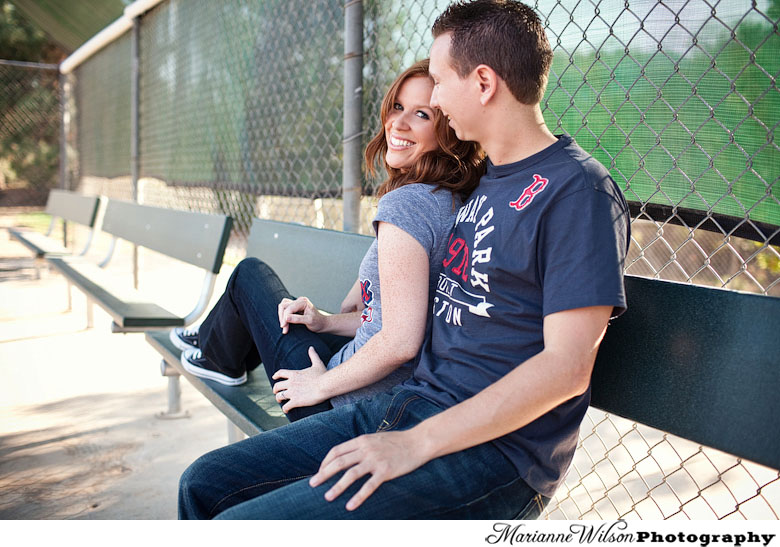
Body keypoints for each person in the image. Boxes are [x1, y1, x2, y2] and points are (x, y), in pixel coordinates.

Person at [179, 0, 630, 520]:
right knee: (203, 483)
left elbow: (566, 369)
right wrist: (334, 325)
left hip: (494, 456)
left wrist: (414, 444)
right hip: (408, 407)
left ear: (483, 83)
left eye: (438, 82)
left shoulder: (577, 192)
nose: (433, 98)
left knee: (238, 524)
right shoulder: (486, 185)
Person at [169, 59, 484, 422]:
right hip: (372, 385)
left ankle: (217, 355)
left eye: (422, 115)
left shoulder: (408, 205)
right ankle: (212, 343)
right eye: (397, 106)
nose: (398, 122)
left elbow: (400, 342)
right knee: (282, 310)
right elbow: (385, 319)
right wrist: (324, 322)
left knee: (248, 275)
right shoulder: (453, 199)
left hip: (336, 405)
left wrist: (321, 384)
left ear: (448, 129)